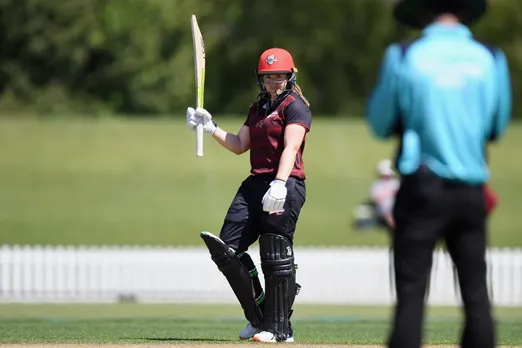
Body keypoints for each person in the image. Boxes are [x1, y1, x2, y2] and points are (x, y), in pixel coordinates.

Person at [365, 0, 512, 348]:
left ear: (421, 11)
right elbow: (497, 125)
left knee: (412, 295)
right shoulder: (490, 57)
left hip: (422, 185)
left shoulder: (404, 54)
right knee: (477, 293)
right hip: (472, 188)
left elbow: (381, 122)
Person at [186, 47, 312, 343]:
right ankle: (258, 318)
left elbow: (291, 148)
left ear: (290, 77)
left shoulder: (296, 107)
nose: (273, 82)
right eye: (268, 77)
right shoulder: (258, 108)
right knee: (227, 248)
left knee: (275, 252)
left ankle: (279, 329)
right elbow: (240, 144)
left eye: (279, 76)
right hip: (255, 183)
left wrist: (280, 184)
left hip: (286, 182)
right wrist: (211, 127)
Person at [369, 159, 400, 231]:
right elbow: (375, 198)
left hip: (396, 203)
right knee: (387, 210)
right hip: (384, 207)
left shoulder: (395, 182)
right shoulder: (377, 185)